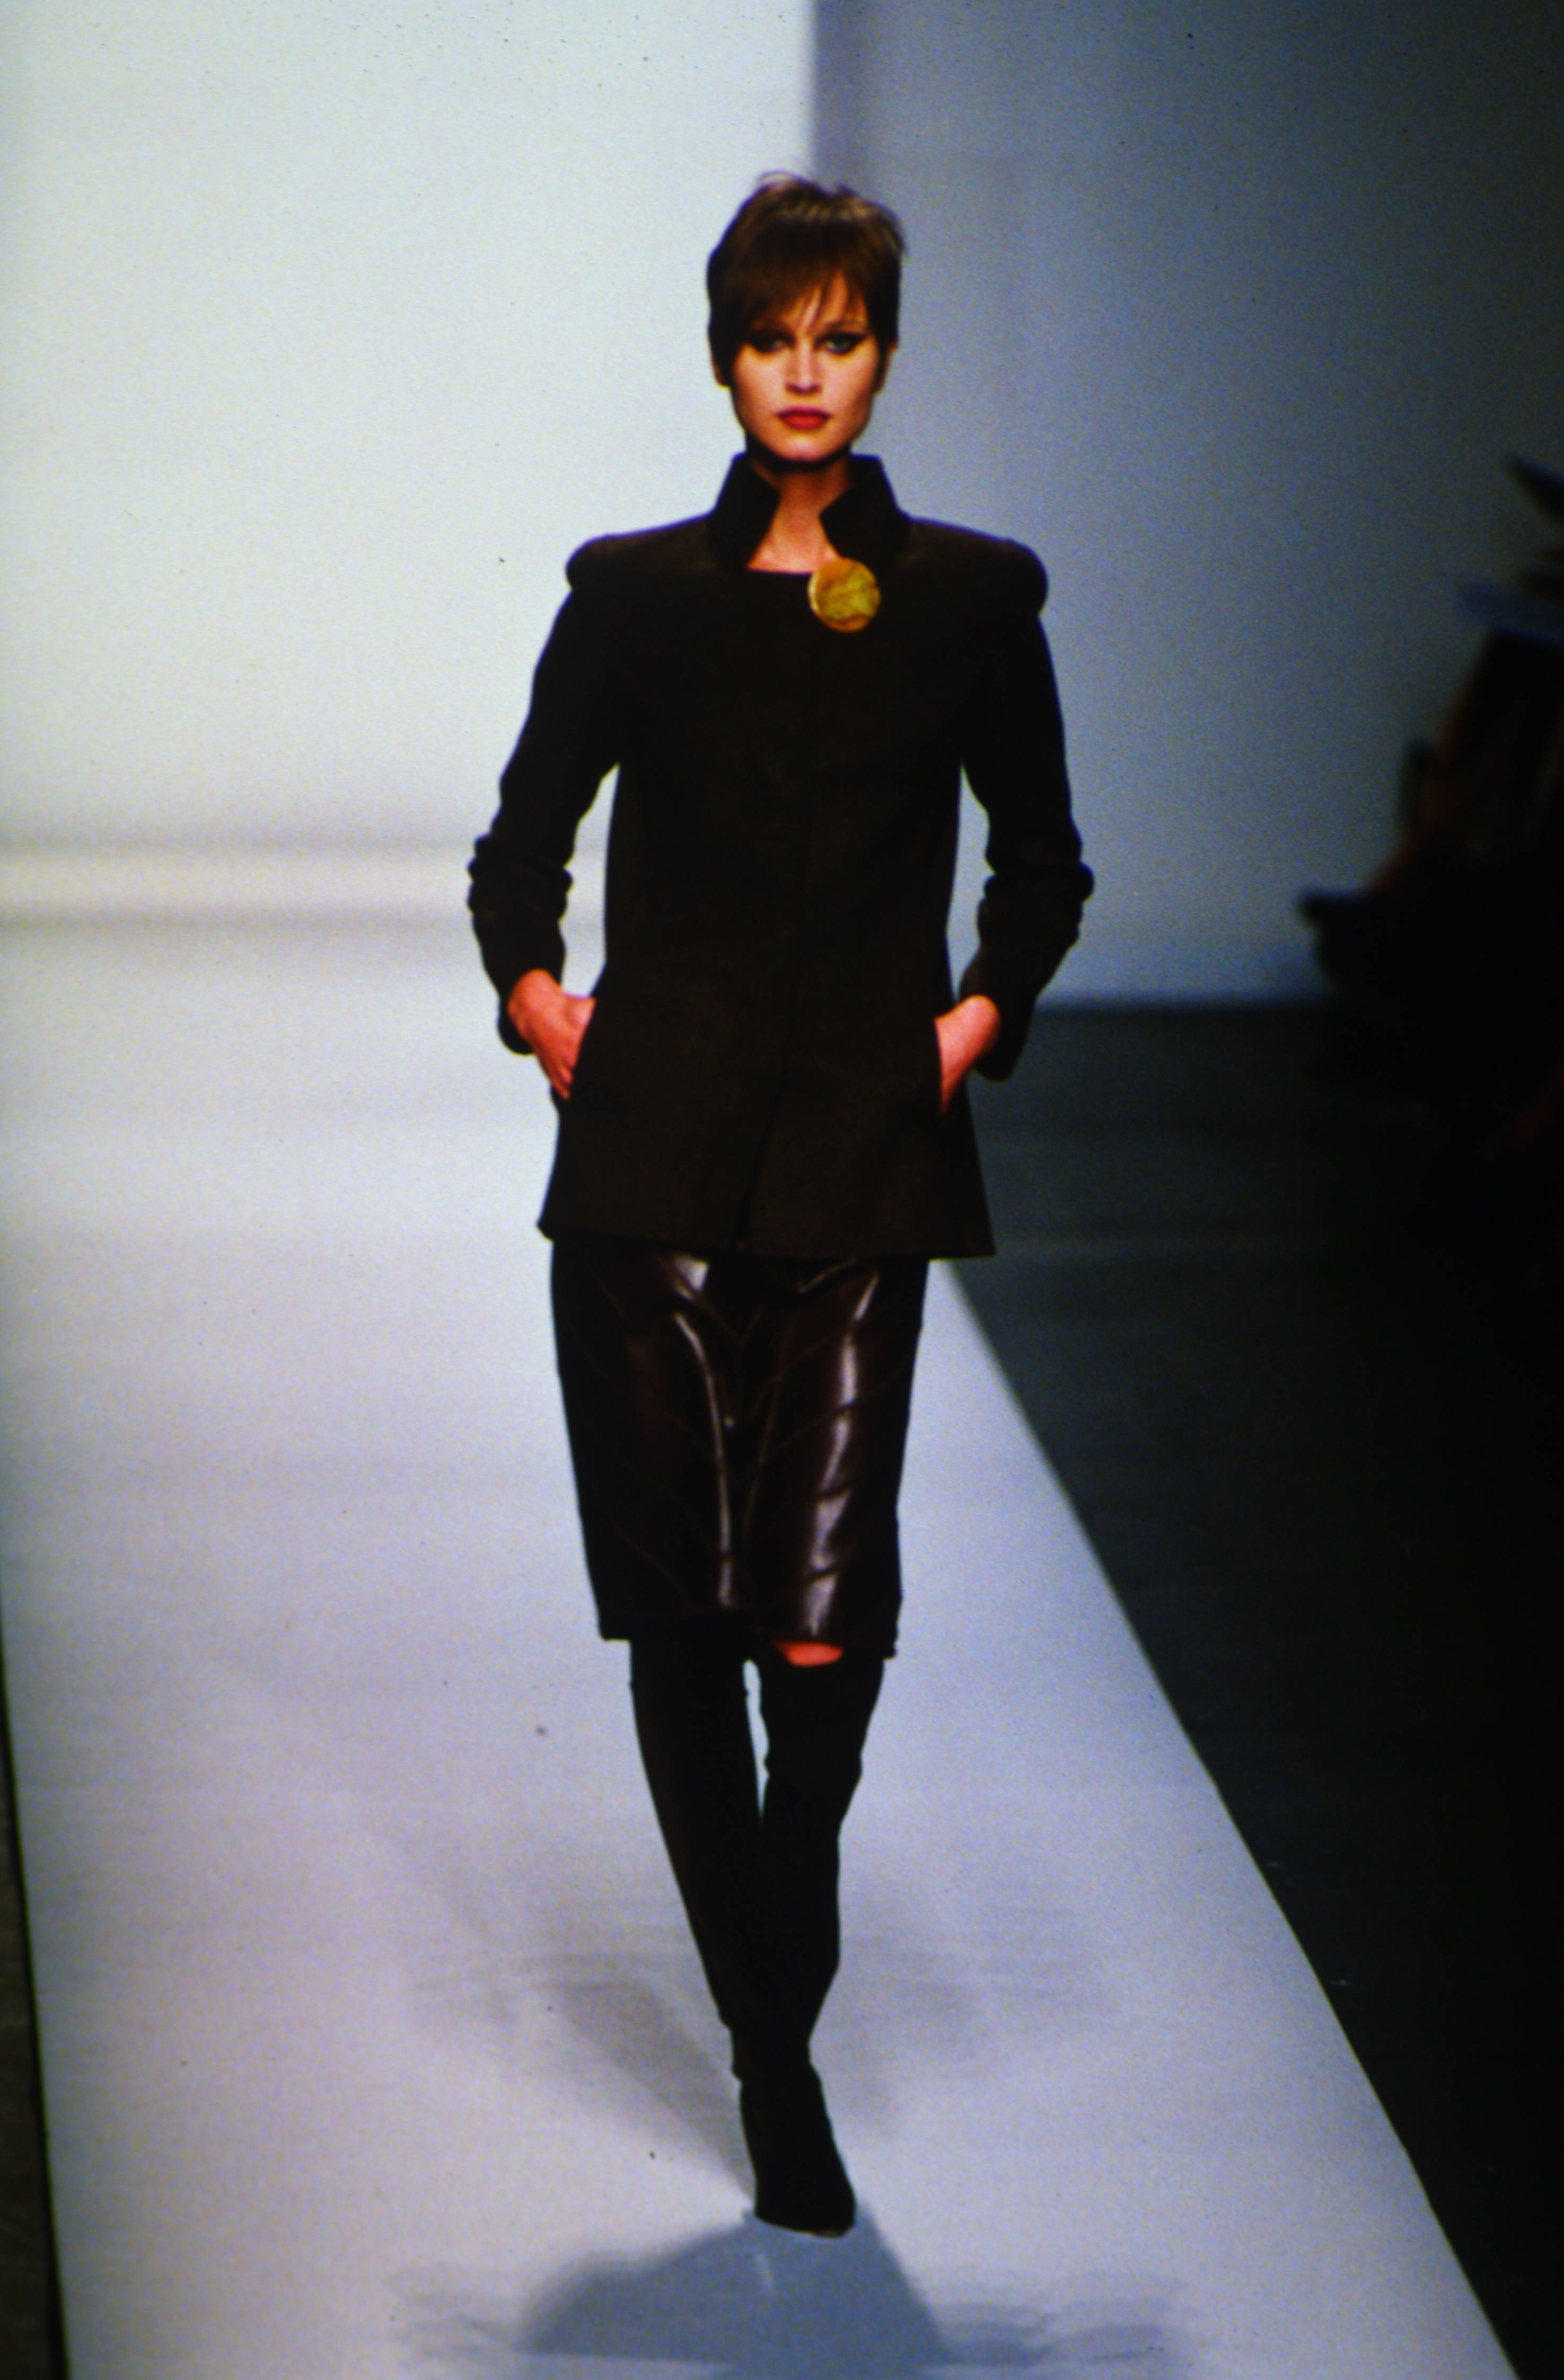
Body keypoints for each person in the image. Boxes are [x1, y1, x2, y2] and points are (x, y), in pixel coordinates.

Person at [468, 174, 1091, 2237]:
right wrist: (544, 1006)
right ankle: (774, 2059)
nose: (805, 376)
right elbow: (520, 845)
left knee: (820, 1629)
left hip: (855, 1176)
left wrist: (964, 1028)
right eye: (772, 341)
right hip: (646, 1178)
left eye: (838, 339)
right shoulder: (636, 599)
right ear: (726, 359)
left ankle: (767, 2001)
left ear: (882, 354)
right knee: (683, 1620)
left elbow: (1044, 864)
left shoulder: (971, 604)